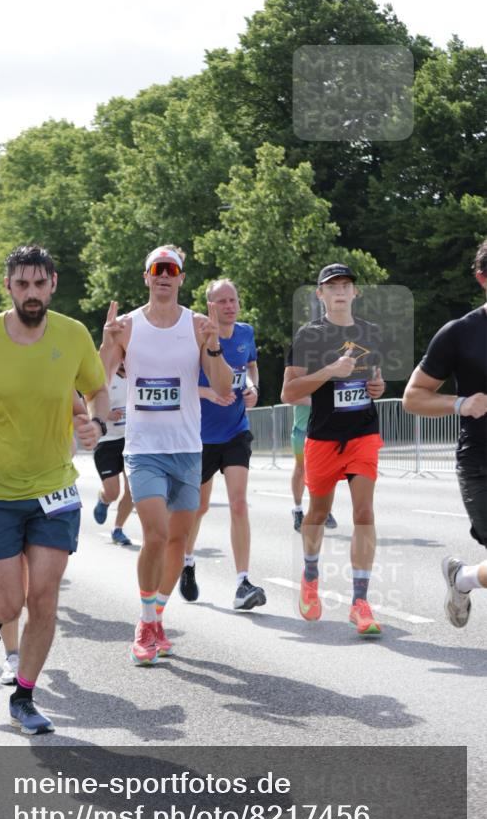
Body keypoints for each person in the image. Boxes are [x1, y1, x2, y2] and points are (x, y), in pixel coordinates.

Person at [0, 245, 109, 735]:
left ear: (52, 284)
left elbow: (98, 389)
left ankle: (24, 696)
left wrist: (96, 422)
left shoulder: (73, 335)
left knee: (45, 600)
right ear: (9, 288)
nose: (31, 293)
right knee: (10, 601)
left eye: (39, 284)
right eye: (22, 285)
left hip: (54, 488)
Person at [100, 245, 233, 664]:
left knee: (178, 539)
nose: (163, 275)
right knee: (155, 535)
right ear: (146, 277)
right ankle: (142, 621)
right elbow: (99, 379)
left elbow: (224, 386)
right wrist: (107, 342)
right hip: (143, 449)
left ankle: (158, 616)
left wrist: (212, 346)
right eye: (156, 268)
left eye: (170, 269)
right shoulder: (127, 327)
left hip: (188, 448)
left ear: (180, 277)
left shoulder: (196, 325)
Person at [281, 264, 385, 636]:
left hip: (363, 433)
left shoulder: (370, 333)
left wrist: (377, 387)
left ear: (355, 293)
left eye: (346, 285)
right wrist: (329, 370)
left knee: (364, 511)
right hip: (323, 437)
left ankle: (360, 602)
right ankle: (310, 575)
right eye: (332, 286)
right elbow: (288, 393)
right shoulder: (309, 336)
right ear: (319, 294)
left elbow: (374, 380)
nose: (340, 291)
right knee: (319, 511)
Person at [403, 239, 487, 627]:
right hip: (481, 463)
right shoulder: (459, 333)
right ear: (482, 279)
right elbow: (412, 397)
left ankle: (462, 578)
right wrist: (460, 403)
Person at [179, 279, 266, 610]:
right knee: (199, 507)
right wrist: (209, 393)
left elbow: (251, 367)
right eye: (222, 301)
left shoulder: (245, 333)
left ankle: (243, 582)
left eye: (233, 300)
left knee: (239, 503)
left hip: (235, 431)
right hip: (199, 437)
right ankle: (187, 562)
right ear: (209, 305)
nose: (229, 306)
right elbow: (182, 380)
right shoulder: (196, 334)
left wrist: (254, 387)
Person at [92, 362, 135, 546]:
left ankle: (118, 529)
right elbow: (89, 404)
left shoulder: (138, 375)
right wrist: (107, 414)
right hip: (107, 441)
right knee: (113, 492)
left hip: (131, 440)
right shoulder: (106, 378)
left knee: (132, 489)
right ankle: (104, 499)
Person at [290, 400, 338, 532]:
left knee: (326, 471)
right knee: (301, 469)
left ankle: (325, 509)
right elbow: (291, 395)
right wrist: (320, 398)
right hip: (302, 430)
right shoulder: (301, 377)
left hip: (323, 430)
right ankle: (298, 511)